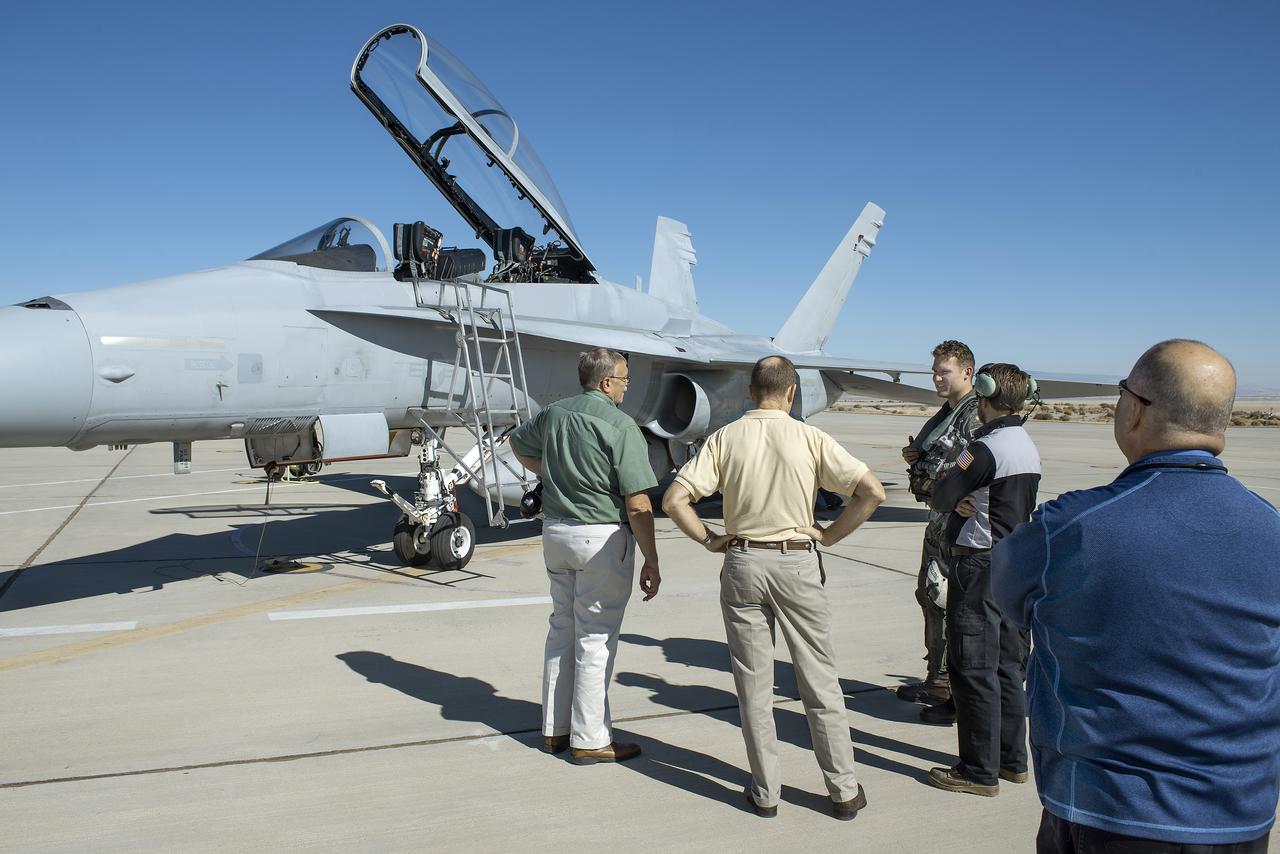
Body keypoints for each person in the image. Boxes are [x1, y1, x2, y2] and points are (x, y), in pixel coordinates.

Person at [992, 340, 1280, 852]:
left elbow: (1007, 596)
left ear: (1133, 409)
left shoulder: (1071, 526)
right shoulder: (1271, 526)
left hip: (1109, 810)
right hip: (1240, 816)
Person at [662, 355, 885, 820]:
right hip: (796, 562)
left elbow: (675, 499)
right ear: (791, 393)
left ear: (750, 392)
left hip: (743, 560)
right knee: (820, 681)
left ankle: (766, 792)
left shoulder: (725, 438)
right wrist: (830, 534)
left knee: (753, 685)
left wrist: (709, 539)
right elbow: (872, 492)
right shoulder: (810, 437)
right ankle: (843, 790)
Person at [509, 347, 661, 765]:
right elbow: (638, 504)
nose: (627, 387)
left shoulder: (555, 413)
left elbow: (517, 444)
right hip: (601, 538)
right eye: (625, 380)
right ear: (607, 382)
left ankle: (555, 730)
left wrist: (553, 474)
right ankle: (590, 739)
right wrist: (651, 557)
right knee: (595, 639)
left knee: (561, 629)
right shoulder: (621, 425)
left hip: (556, 533)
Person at [924, 363, 1041, 796]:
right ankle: (1013, 761)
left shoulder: (985, 448)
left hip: (979, 564)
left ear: (985, 395)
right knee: (1008, 665)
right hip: (1013, 564)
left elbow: (941, 493)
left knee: (972, 665)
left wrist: (953, 500)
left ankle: (977, 770)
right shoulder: (1026, 443)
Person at [897, 340, 983, 711]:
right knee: (930, 596)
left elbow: (976, 463)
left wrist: (961, 495)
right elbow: (944, 458)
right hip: (940, 520)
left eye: (943, 371)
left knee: (943, 598)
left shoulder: (975, 414)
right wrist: (918, 457)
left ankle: (946, 681)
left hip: (957, 525)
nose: (936, 377)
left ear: (967, 372)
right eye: (934, 370)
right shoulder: (948, 412)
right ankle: (937, 676)